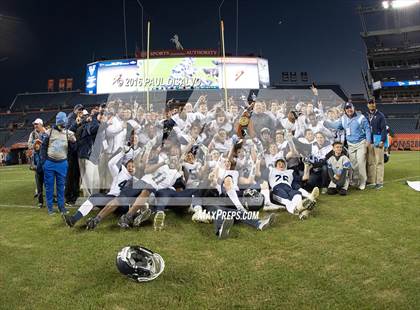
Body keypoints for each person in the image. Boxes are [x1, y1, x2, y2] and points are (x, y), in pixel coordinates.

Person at [324, 102, 371, 190]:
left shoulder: (361, 117)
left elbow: (367, 129)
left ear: (354, 108)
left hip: (361, 142)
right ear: (345, 110)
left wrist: (368, 140)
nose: (349, 110)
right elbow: (336, 126)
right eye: (347, 108)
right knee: (353, 164)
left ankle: (362, 181)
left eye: (350, 108)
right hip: (350, 144)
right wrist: (325, 123)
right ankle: (356, 180)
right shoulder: (343, 118)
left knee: (361, 162)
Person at [41, 112, 76, 215]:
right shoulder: (49, 132)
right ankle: (50, 208)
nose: (62, 126)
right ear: (57, 122)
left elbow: (74, 149)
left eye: (64, 124)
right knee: (49, 187)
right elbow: (43, 147)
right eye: (61, 124)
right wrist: (44, 162)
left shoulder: (67, 133)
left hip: (62, 163)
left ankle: (62, 208)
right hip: (50, 163)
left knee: (61, 187)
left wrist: (73, 142)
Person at [365, 99, 387, 189]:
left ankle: (379, 182)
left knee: (379, 162)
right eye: (370, 103)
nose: (371, 105)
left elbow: (384, 129)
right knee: (370, 162)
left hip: (378, 141)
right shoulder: (366, 116)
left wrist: (382, 140)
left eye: (373, 103)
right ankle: (371, 181)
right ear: (367, 105)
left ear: (375, 104)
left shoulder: (380, 115)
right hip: (370, 142)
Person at [30, 140, 44, 208]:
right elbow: (32, 165)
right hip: (38, 173)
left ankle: (51, 200)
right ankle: (40, 202)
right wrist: (34, 167)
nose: (36, 146)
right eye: (35, 145)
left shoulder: (43, 152)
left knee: (48, 188)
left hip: (45, 172)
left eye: (38, 144)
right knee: (39, 189)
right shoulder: (34, 155)